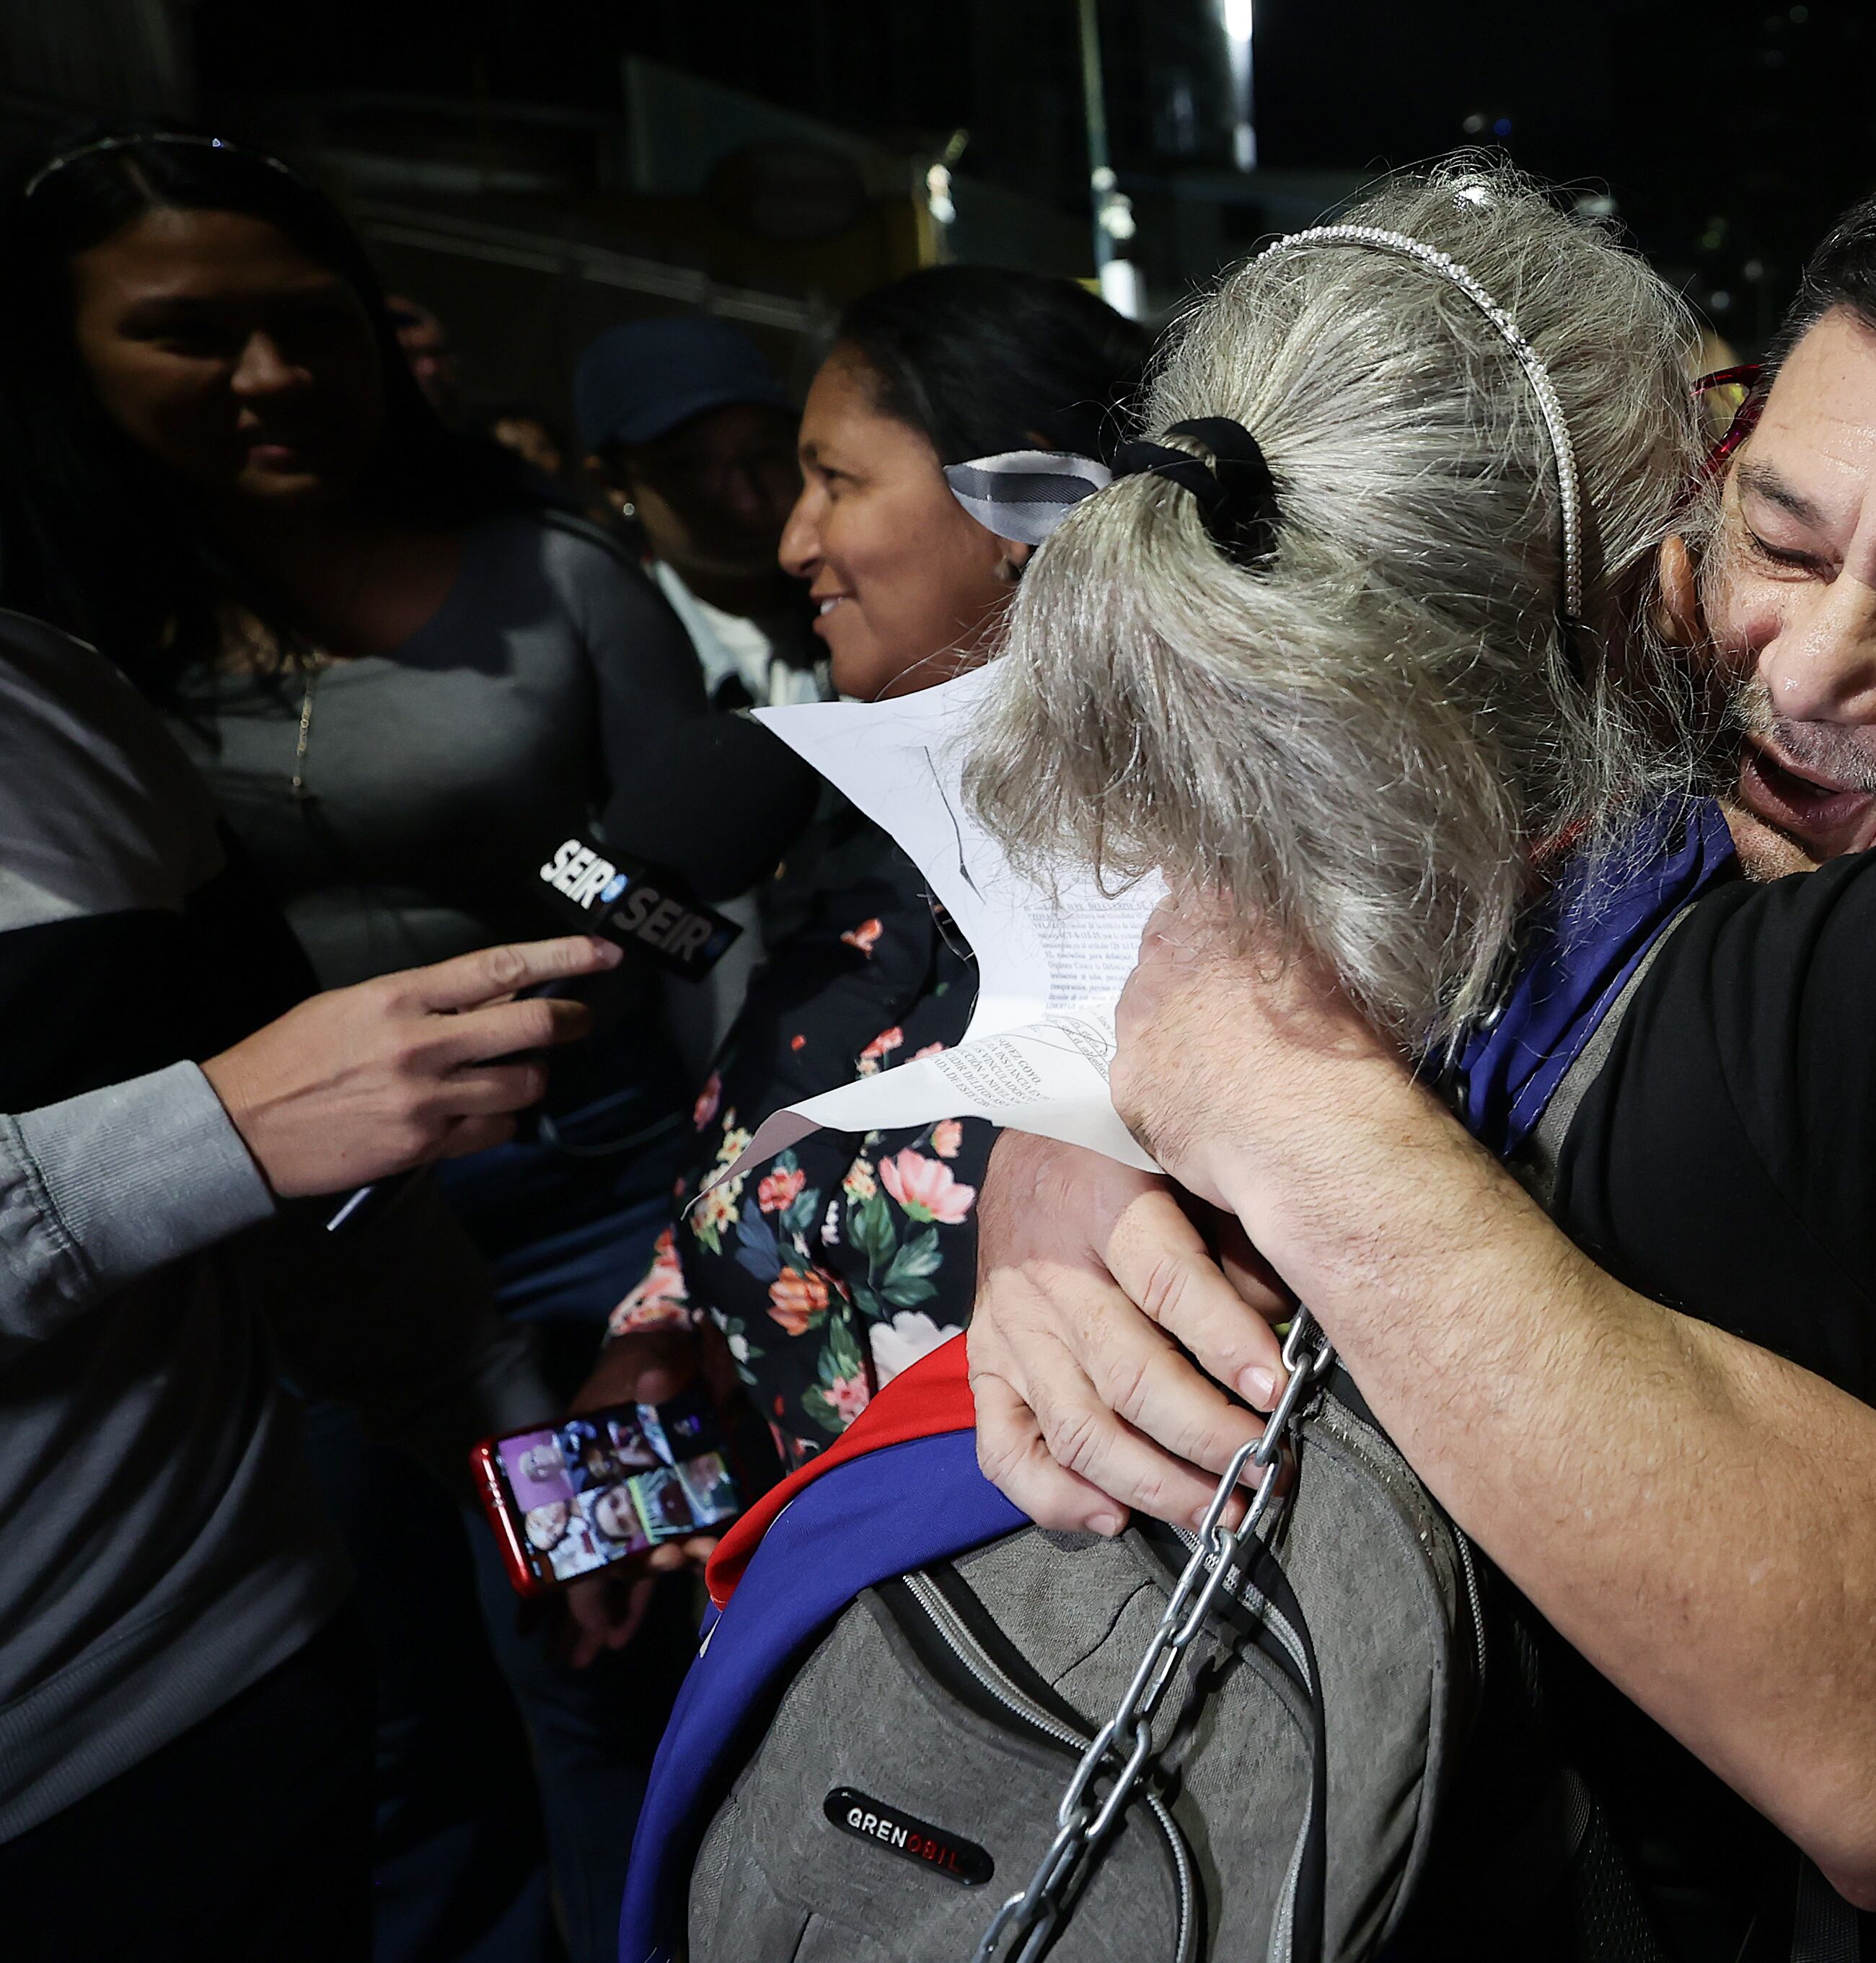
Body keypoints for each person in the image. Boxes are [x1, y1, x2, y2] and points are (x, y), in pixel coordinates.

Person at [635, 147, 1876, 1962]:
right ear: (1710, 457)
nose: (1809, 669)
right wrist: (1077, 1138)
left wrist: (1265, 1102)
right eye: (1782, 537)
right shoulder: (1619, 685)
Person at [0, 124, 713, 1963]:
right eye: (185, 333)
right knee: (402, 1717)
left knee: (609, 1660)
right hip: (256, 1261)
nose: (268, 377)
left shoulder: (546, 576)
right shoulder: (68, 652)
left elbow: (693, 903)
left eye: (309, 322)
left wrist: (557, 889)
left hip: (587, 1197)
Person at [0, 604, 613, 1962]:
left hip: (253, 1680)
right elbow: (250, 1120)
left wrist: (522, 1456)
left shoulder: (53, 689)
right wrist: (205, 1129)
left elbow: (325, 1169)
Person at [564, 266, 1150, 1649]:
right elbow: (773, 1132)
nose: (790, 542)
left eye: (833, 480)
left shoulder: (1208, 894)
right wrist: (667, 1327)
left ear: (1022, 511)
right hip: (811, 1638)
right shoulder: (840, 832)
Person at [576, 315, 828, 713]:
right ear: (612, 483)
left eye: (765, 453)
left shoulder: (882, 621)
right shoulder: (594, 668)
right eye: (691, 467)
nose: (746, 498)